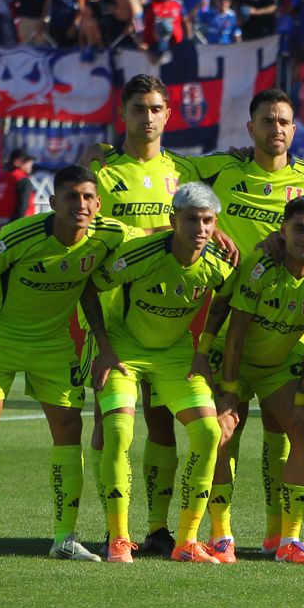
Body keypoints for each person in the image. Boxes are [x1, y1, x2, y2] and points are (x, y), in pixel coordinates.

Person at [191, 88, 304, 561]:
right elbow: (166, 177)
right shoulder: (224, 171)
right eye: (267, 121)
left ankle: (283, 537)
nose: (276, 129)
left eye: (284, 122)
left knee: (291, 430)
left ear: (294, 130)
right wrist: (213, 227)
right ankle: (220, 533)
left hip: (287, 336)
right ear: (251, 128)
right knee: (222, 431)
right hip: (228, 319)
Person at [0, 164, 128, 563]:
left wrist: (215, 230)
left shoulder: (109, 235)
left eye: (87, 197)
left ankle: (64, 538)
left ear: (98, 204)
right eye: (70, 196)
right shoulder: (20, 236)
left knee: (69, 426)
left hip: (52, 342)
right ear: (53, 202)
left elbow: (160, 237)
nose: (79, 205)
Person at [77, 74, 204, 559]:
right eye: (138, 109)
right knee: (109, 423)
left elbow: (207, 219)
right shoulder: (104, 171)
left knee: (162, 420)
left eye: (155, 108)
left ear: (168, 114)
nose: (147, 117)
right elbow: (82, 213)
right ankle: (114, 525)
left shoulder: (187, 170)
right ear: (123, 113)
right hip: (111, 315)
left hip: (168, 314)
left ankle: (157, 527)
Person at [80, 183, 231, 564]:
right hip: (124, 350)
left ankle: (187, 540)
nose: (200, 228)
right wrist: (104, 347)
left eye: (208, 221)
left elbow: (226, 299)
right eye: (192, 219)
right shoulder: (141, 253)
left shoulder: (219, 262)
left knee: (209, 432)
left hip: (176, 354)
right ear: (173, 220)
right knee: (118, 429)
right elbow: (89, 288)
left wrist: (203, 351)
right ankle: (118, 538)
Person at [217, 195, 304, 565]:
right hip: (235, 362)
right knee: (221, 429)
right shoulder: (262, 263)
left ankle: (290, 541)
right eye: (299, 228)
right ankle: (220, 534)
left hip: (278, 368)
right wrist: (228, 389)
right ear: (283, 231)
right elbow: (236, 332)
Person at [0, 149, 36, 232]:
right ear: (17, 162)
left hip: (0, 227)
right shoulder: (22, 180)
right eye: (28, 163)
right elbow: (23, 205)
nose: (30, 165)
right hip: (21, 226)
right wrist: (13, 226)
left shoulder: (0, 179)